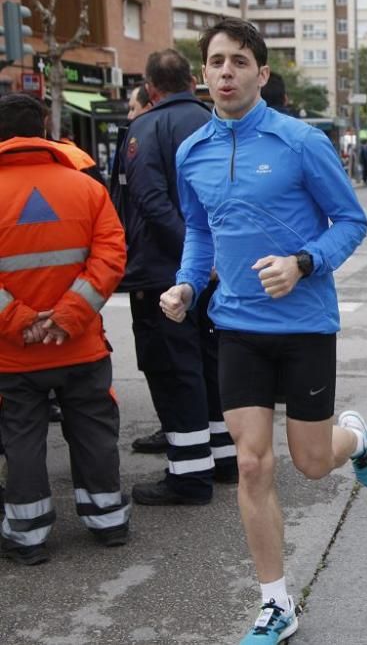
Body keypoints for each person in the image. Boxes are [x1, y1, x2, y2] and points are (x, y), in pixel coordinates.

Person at [159, 18, 367, 644]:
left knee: (310, 464)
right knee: (253, 465)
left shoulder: (301, 142)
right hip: (236, 327)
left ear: (261, 72)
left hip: (306, 325)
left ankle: (355, 439)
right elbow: (202, 231)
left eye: (238, 61)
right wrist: (185, 283)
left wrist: (302, 263)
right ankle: (276, 603)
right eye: (215, 62)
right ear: (203, 74)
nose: (225, 72)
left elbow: (350, 222)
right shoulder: (192, 151)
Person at [0, 93, 131, 565]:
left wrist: (20, 322)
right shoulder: (86, 189)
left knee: (23, 437)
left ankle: (28, 533)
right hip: (80, 347)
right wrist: (69, 317)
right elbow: (112, 256)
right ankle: (107, 519)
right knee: (94, 430)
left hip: (13, 355)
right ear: (46, 129)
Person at [121, 50, 239, 499]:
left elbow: (149, 202)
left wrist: (193, 260)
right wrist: (212, 260)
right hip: (215, 272)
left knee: (175, 370)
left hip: (166, 274)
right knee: (211, 363)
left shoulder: (145, 128)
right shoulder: (219, 124)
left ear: (150, 89)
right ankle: (224, 458)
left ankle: (189, 475)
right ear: (195, 80)